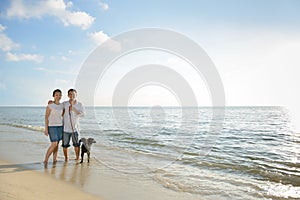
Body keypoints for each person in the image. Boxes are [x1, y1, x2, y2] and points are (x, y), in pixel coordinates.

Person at [62, 89, 85, 161]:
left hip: (75, 129)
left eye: (73, 94)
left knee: (77, 145)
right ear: (68, 95)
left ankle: (77, 158)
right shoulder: (64, 103)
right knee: (65, 145)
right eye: (70, 94)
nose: (72, 95)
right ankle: (66, 158)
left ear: (76, 95)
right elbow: (58, 108)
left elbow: (83, 114)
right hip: (65, 129)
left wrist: (74, 109)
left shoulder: (79, 104)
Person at [44, 89, 63, 165]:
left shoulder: (62, 105)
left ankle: (55, 159)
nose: (58, 96)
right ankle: (46, 160)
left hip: (60, 126)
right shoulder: (50, 106)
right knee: (54, 144)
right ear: (53, 96)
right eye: (56, 95)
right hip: (52, 127)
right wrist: (46, 129)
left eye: (59, 95)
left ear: (61, 96)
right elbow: (46, 117)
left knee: (57, 144)